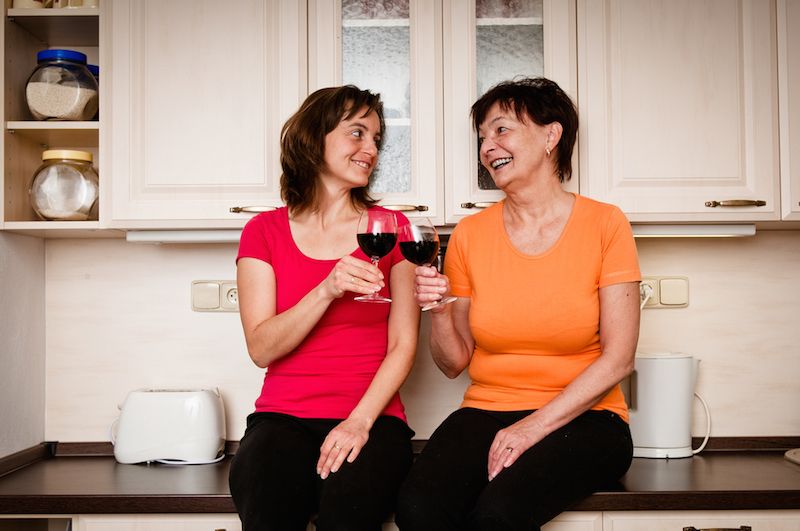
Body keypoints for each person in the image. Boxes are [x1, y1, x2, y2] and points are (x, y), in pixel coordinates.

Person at [395, 77, 641, 531]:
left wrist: (532, 427)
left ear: (551, 136)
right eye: (482, 137)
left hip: (589, 418)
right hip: (488, 408)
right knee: (418, 510)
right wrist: (441, 310)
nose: (488, 147)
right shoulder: (470, 234)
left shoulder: (606, 224)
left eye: (502, 130)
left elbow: (619, 357)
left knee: (498, 516)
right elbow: (453, 364)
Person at [229, 85, 420, 531]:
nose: (370, 149)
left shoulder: (395, 230)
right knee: (267, 508)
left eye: (376, 139)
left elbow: (403, 345)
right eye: (357, 133)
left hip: (372, 419)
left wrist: (358, 422)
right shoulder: (263, 231)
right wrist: (325, 289)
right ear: (315, 139)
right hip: (282, 418)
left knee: (348, 515)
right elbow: (261, 348)